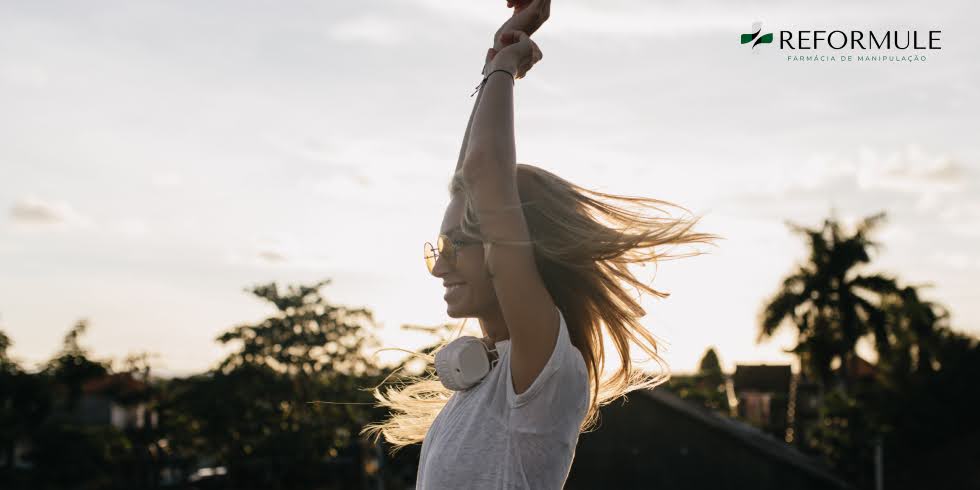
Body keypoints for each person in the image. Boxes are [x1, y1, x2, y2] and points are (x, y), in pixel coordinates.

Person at [361, 1, 720, 488]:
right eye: (437, 247)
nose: (438, 267)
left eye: (456, 246)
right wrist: (495, 59)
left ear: (512, 247)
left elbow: (483, 172)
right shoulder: (488, 376)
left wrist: (505, 69)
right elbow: (470, 176)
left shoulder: (543, 371)